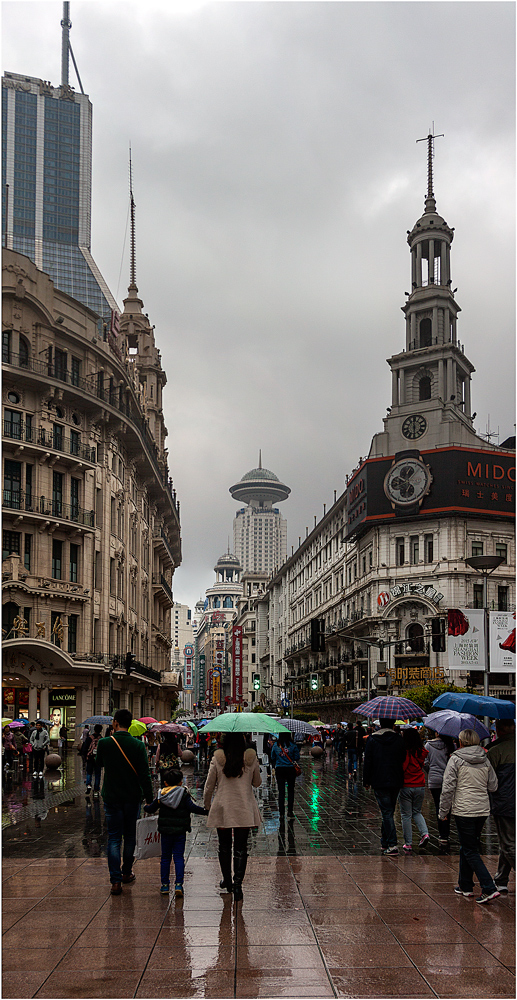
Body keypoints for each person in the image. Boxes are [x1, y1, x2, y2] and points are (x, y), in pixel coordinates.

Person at [95, 708, 153, 896]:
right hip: (132, 797)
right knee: (129, 836)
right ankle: (126, 872)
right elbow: (145, 775)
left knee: (113, 838)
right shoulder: (138, 746)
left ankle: (115, 881)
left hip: (111, 796)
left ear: (115, 723)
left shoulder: (104, 743)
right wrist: (150, 799)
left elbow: (98, 764)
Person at [439, 728, 499, 903]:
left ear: (461, 742)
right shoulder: (485, 760)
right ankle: (465, 885)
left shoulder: (456, 759)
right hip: (481, 810)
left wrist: (443, 812)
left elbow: (448, 787)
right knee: (468, 846)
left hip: (464, 810)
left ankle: (489, 887)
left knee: (470, 849)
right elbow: (493, 786)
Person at [203, 732, 262, 902]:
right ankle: (238, 885)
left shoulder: (218, 759)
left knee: (224, 846)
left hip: (223, 807)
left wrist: (207, 806)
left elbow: (208, 786)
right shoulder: (250, 759)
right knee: (241, 848)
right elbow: (257, 783)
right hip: (243, 807)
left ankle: (227, 880)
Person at [144, 766, 208, 896]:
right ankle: (179, 884)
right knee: (178, 857)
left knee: (165, 858)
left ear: (166, 783)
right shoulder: (184, 794)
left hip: (165, 832)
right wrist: (206, 811)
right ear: (180, 782)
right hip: (180, 832)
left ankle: (165, 885)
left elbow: (151, 809)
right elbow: (192, 808)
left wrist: (145, 807)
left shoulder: (161, 795)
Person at [363, 716, 406, 856]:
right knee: (388, 811)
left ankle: (392, 844)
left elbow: (368, 761)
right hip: (396, 779)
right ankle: (385, 841)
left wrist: (366, 781)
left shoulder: (372, 739)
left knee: (386, 812)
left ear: (380, 724)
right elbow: (403, 757)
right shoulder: (399, 739)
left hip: (379, 779)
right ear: (393, 724)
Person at [487, 718, 515, 894]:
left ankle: (501, 879)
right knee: (507, 841)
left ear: (498, 730)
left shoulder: (495, 751)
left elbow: (489, 780)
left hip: (505, 802)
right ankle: (501, 879)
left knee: (508, 843)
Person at [399, 728, 429, 853]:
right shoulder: (421, 751)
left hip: (407, 785)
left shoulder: (405, 752)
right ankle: (425, 833)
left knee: (406, 815)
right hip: (420, 785)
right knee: (417, 812)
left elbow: (403, 768)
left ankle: (408, 843)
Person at [424, 730, 456, 846]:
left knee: (439, 805)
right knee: (448, 806)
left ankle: (442, 834)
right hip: (449, 780)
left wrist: (431, 772)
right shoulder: (451, 746)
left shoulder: (428, 745)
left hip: (434, 780)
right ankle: (446, 834)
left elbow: (425, 762)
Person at [271, 732, 301, 819]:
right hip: (290, 769)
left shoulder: (276, 745)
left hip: (280, 769)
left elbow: (273, 757)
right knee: (291, 790)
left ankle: (281, 813)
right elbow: (297, 757)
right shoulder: (292, 745)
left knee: (281, 791)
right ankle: (290, 811)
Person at [85, 724, 104, 796]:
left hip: (90, 758)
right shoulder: (101, 739)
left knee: (89, 772)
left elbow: (85, 748)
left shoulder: (89, 738)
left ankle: (89, 785)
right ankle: (96, 789)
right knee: (97, 774)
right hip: (98, 759)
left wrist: (85, 756)